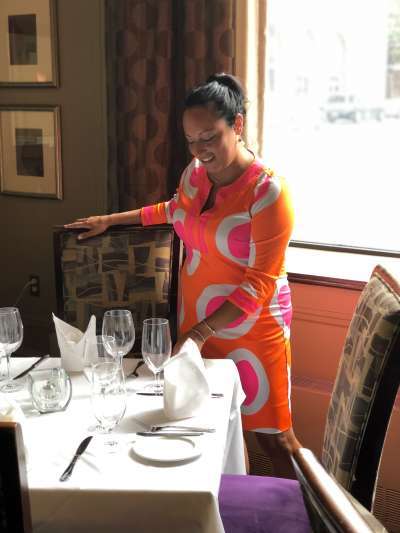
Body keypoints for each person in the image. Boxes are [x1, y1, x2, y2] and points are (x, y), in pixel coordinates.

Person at [65, 73, 300, 475]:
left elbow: (259, 285)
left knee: (274, 437)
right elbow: (172, 211)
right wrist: (111, 219)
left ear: (237, 125)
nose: (200, 149)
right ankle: (229, 502)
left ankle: (312, 514)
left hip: (252, 331)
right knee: (216, 425)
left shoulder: (268, 193)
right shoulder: (194, 173)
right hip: (198, 323)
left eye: (209, 137)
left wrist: (199, 333)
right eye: (191, 140)